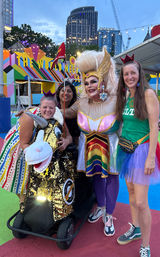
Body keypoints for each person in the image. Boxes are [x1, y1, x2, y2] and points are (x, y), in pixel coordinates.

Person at [62, 47, 120, 236]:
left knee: (111, 178)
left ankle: (109, 215)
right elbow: (66, 113)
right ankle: (101, 207)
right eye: (86, 83)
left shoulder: (116, 100)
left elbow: (132, 118)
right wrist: (42, 109)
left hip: (111, 146)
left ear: (102, 81)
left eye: (93, 81)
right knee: (96, 176)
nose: (89, 86)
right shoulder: (82, 102)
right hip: (89, 147)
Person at [115, 54, 160, 257]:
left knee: (142, 202)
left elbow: (153, 127)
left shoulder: (148, 94)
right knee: (132, 194)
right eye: (126, 74)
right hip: (125, 150)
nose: (129, 76)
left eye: (133, 73)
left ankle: (146, 245)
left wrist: (151, 157)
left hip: (142, 151)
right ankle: (135, 228)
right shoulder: (125, 95)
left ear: (139, 74)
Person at [0, 95, 72, 211]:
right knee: (21, 178)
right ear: (39, 107)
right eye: (45, 107)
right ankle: (23, 203)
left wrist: (66, 141)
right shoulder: (28, 118)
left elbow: (68, 136)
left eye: (51, 108)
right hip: (23, 146)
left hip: (39, 144)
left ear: (56, 108)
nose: (48, 110)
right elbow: (24, 143)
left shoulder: (58, 115)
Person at [55, 80, 80, 145]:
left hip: (73, 146)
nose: (66, 93)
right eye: (63, 90)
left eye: (69, 91)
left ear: (73, 94)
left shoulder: (76, 110)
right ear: (58, 93)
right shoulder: (52, 107)